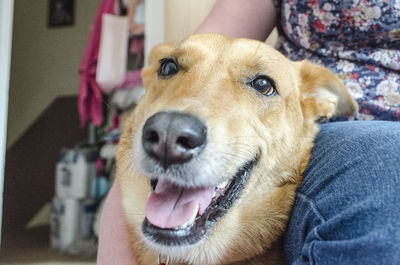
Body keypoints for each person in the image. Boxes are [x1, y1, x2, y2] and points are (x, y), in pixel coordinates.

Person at [97, 0, 400, 264]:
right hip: (355, 147)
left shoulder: (304, 98)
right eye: (171, 69)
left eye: (261, 84)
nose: (172, 132)